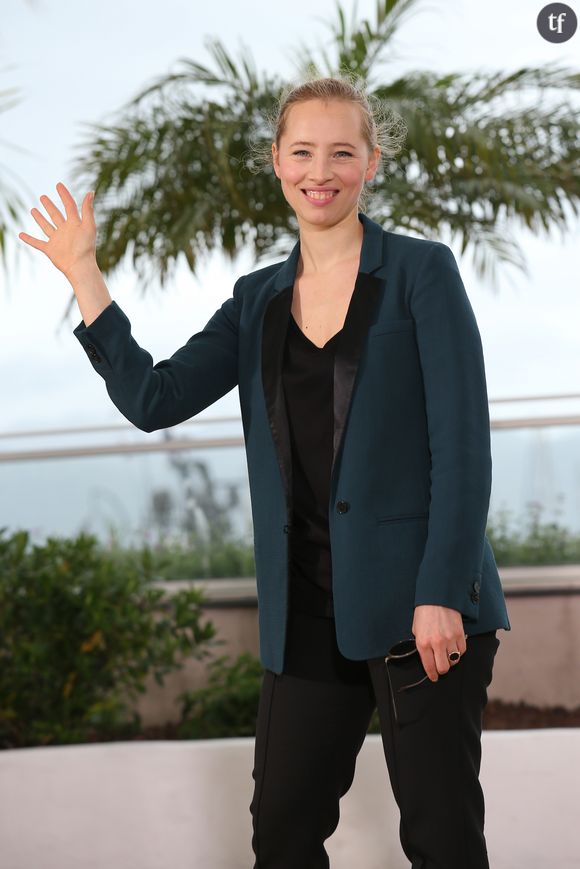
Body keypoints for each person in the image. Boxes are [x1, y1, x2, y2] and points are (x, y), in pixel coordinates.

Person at [19, 74, 511, 869]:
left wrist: (442, 594)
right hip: (308, 612)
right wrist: (85, 277)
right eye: (304, 151)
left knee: (442, 838)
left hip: (421, 612)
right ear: (278, 162)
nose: (322, 170)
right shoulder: (256, 301)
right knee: (282, 835)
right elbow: (155, 397)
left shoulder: (424, 273)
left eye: (342, 152)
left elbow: (462, 448)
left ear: (371, 163)